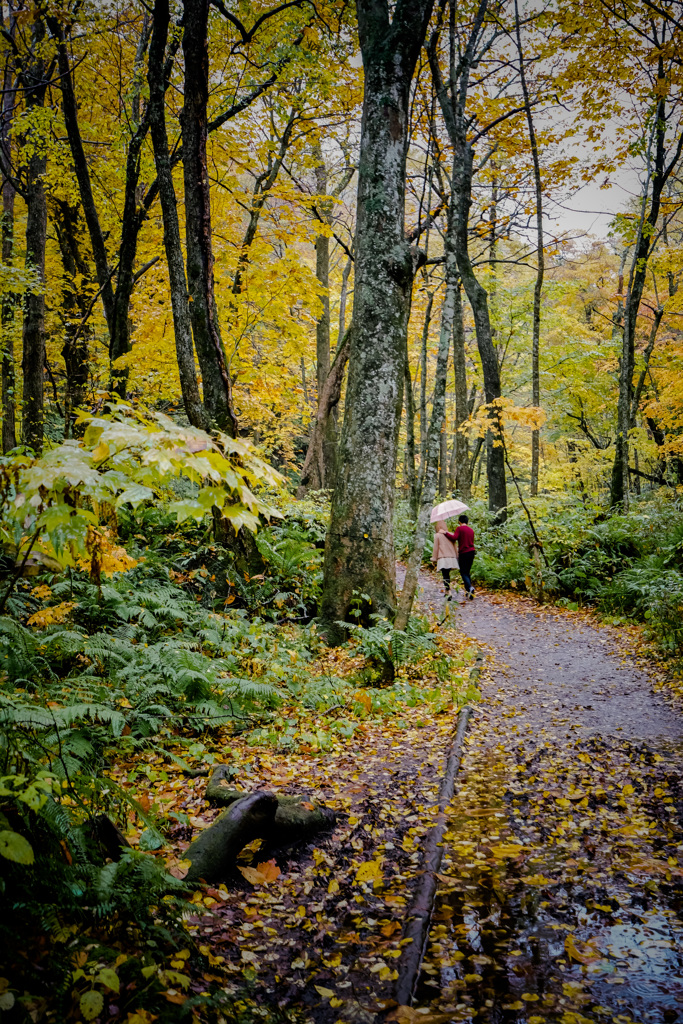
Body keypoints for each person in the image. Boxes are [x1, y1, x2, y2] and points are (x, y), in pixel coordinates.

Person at [446, 514, 476, 600]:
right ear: (467, 521)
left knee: (463, 572)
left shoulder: (459, 528)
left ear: (459, 522)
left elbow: (454, 537)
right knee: (467, 571)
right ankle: (468, 592)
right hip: (471, 552)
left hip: (464, 552)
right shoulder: (471, 530)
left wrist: (446, 533)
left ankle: (470, 588)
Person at [431, 520, 459, 599]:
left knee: (445, 575)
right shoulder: (451, 534)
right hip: (451, 558)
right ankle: (447, 591)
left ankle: (448, 590)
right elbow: (455, 547)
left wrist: (434, 559)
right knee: (447, 574)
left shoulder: (437, 535)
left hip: (443, 558)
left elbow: (435, 548)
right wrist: (457, 556)